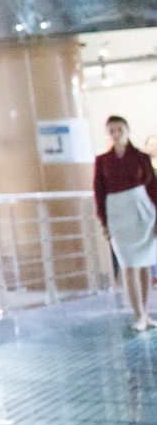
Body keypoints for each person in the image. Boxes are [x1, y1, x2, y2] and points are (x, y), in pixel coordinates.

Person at [94, 115, 157, 332]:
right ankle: (138, 314)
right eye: (111, 130)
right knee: (128, 265)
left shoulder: (140, 157)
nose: (116, 134)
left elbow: (153, 187)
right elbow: (99, 193)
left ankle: (146, 312)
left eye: (119, 129)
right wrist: (104, 222)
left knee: (145, 264)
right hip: (118, 215)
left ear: (127, 130)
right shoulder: (102, 161)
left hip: (142, 212)